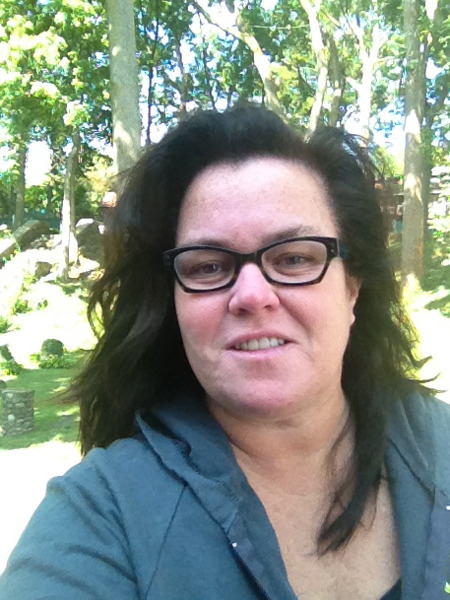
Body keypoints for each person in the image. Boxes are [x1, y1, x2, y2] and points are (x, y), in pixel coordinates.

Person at [0, 105, 449, 600]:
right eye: (208, 267)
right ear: (173, 304)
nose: (252, 295)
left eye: (294, 258)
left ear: (352, 290)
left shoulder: (440, 445)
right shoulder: (101, 517)